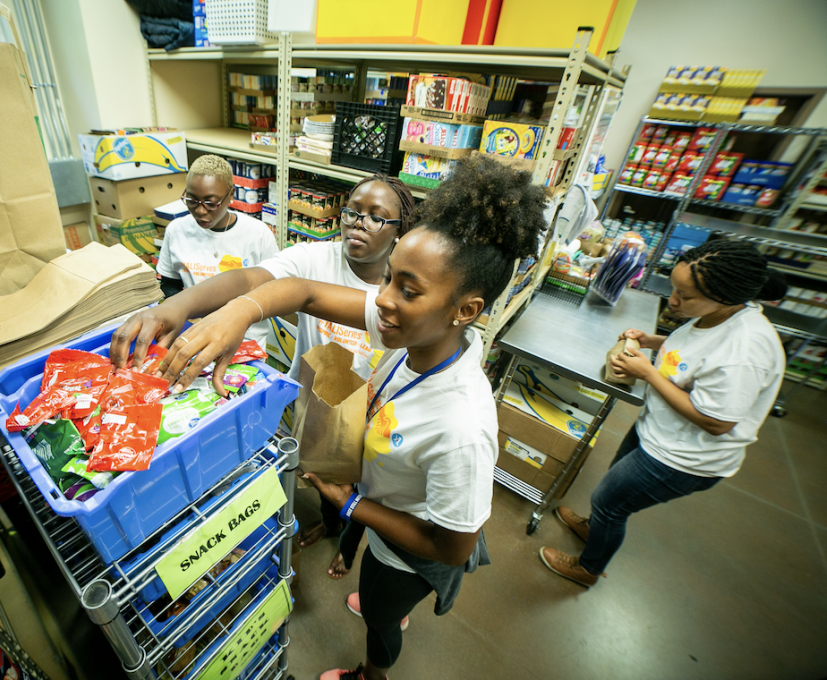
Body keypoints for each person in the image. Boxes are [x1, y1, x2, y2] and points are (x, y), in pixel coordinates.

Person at [151, 155, 547, 680]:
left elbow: (452, 546)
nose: (380, 301)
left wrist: (353, 504)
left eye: (406, 289)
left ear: (466, 310)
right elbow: (306, 292)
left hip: (411, 551)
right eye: (388, 281)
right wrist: (232, 313)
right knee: (375, 587)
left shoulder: (462, 428)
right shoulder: (415, 332)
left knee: (381, 611)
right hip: (386, 506)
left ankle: (371, 671)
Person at [112, 173, 417, 577]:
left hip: (379, 414)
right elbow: (250, 280)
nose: (358, 223)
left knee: (368, 494)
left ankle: (349, 545)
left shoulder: (408, 289)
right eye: (352, 212)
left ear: (400, 231)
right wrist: (178, 307)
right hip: (322, 405)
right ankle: (331, 524)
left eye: (376, 217)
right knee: (330, 486)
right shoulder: (316, 259)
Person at [540, 239, 788, 587]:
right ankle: (596, 527)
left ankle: (588, 569)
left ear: (726, 295)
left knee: (610, 502)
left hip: (683, 458)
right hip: (658, 430)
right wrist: (652, 341)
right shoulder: (717, 314)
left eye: (684, 296)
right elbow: (692, 354)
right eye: (674, 288)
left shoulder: (745, 349)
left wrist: (648, 373)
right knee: (612, 490)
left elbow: (717, 422)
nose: (673, 301)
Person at [156, 154, 278, 346]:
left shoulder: (257, 234)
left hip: (243, 341)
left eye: (211, 203)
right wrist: (188, 312)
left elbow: (274, 294)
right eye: (192, 200)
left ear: (231, 194)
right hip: (193, 334)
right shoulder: (176, 230)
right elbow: (168, 284)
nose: (200, 211)